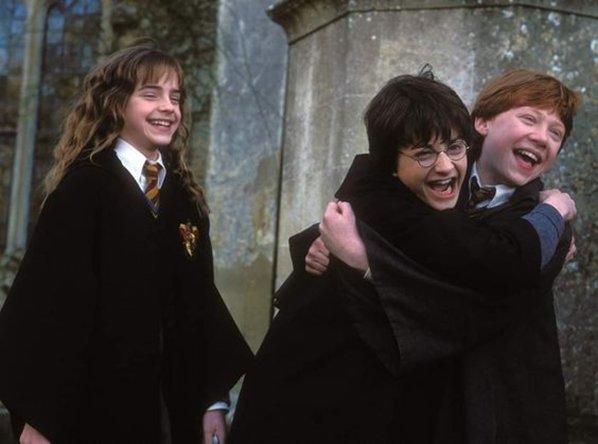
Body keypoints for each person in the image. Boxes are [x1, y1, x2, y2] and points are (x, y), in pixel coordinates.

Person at [229, 68, 576, 444]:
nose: (541, 136)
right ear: (482, 123)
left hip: (477, 409)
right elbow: (370, 198)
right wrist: (321, 241)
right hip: (311, 392)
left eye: (556, 132)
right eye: (529, 119)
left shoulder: (544, 230)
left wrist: (365, 262)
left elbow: (468, 308)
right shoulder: (398, 187)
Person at [0, 46, 253, 444]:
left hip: (174, 407)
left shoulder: (184, 197)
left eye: (175, 97)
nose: (168, 107)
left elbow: (200, 301)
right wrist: (39, 416)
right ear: (116, 103)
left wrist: (213, 400)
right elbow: (50, 304)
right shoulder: (84, 189)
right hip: (96, 409)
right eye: (151, 94)